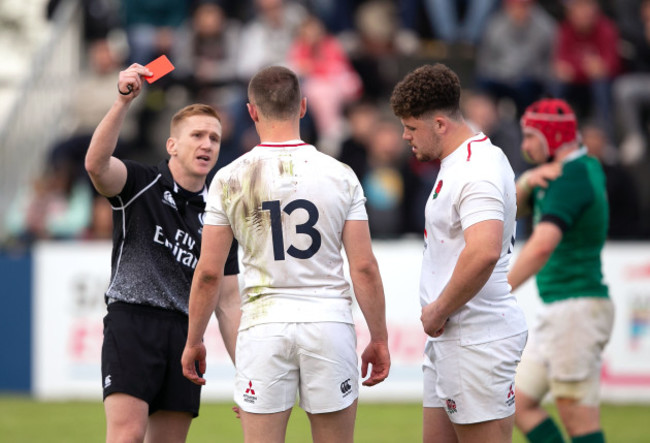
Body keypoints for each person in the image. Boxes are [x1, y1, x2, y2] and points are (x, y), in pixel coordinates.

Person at [181, 65, 391, 443]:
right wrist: (379, 337)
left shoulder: (229, 178)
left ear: (252, 112)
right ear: (304, 107)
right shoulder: (340, 174)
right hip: (328, 321)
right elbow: (363, 267)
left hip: (264, 324)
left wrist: (194, 338)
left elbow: (210, 273)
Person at [84, 63, 240, 443]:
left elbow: (229, 302)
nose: (207, 144)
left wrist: (247, 373)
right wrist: (122, 103)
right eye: (198, 135)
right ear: (172, 144)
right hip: (132, 322)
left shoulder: (221, 215)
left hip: (186, 336)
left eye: (215, 139)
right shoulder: (141, 182)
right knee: (127, 436)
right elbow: (96, 165)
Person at [390, 63, 528, 443]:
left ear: (439, 123)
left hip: (475, 337)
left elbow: (483, 251)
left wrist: (439, 308)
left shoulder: (475, 168)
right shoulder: (467, 159)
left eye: (411, 127)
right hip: (455, 336)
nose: (404, 136)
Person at [508, 98, 615, 443]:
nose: (524, 146)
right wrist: (526, 180)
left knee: (578, 420)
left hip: (575, 309)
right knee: (516, 404)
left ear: (552, 137)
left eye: (530, 137)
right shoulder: (581, 167)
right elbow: (509, 209)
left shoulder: (570, 177)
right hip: (564, 307)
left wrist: (497, 290)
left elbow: (541, 246)